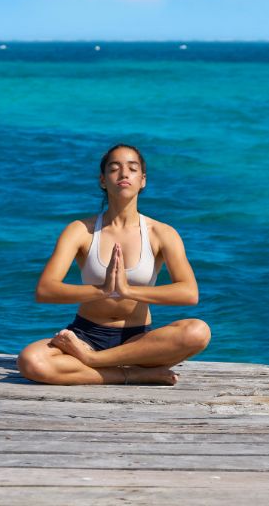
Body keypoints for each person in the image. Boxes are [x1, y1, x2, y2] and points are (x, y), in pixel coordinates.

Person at [17, 144, 211, 385]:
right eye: (114, 168)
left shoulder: (162, 233)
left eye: (132, 168)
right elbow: (45, 290)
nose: (124, 174)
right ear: (102, 180)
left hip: (138, 342)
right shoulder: (81, 231)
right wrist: (102, 290)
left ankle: (95, 362)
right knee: (31, 361)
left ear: (143, 180)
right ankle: (133, 374)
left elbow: (189, 293)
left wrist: (128, 290)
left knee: (198, 331)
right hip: (86, 335)